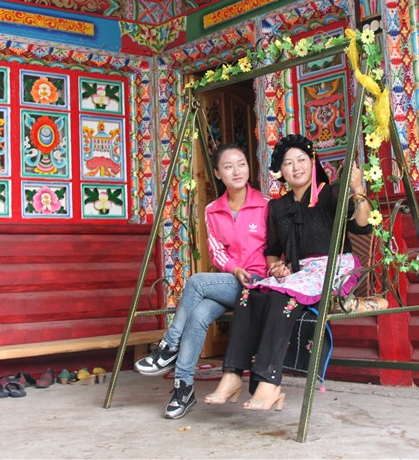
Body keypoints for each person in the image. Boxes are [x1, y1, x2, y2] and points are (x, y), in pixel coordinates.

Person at [205, 134, 371, 411]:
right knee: (249, 294)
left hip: (335, 268)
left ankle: (269, 383)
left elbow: (362, 226)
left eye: (301, 160)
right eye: (288, 163)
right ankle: (232, 374)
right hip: (301, 273)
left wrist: (357, 188)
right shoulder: (278, 206)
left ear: (313, 162)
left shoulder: (331, 193)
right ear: (280, 170)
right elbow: (273, 250)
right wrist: (275, 266)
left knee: (281, 298)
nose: (296, 168)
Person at [135, 143, 269, 419]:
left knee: (196, 281)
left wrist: (257, 272)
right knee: (198, 315)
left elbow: (275, 247)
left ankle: (169, 346)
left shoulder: (266, 205)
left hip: (259, 283)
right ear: (218, 173)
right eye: (228, 167)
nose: (237, 171)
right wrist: (234, 270)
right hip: (232, 280)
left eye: (241, 164)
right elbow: (217, 251)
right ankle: (183, 387)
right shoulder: (212, 210)